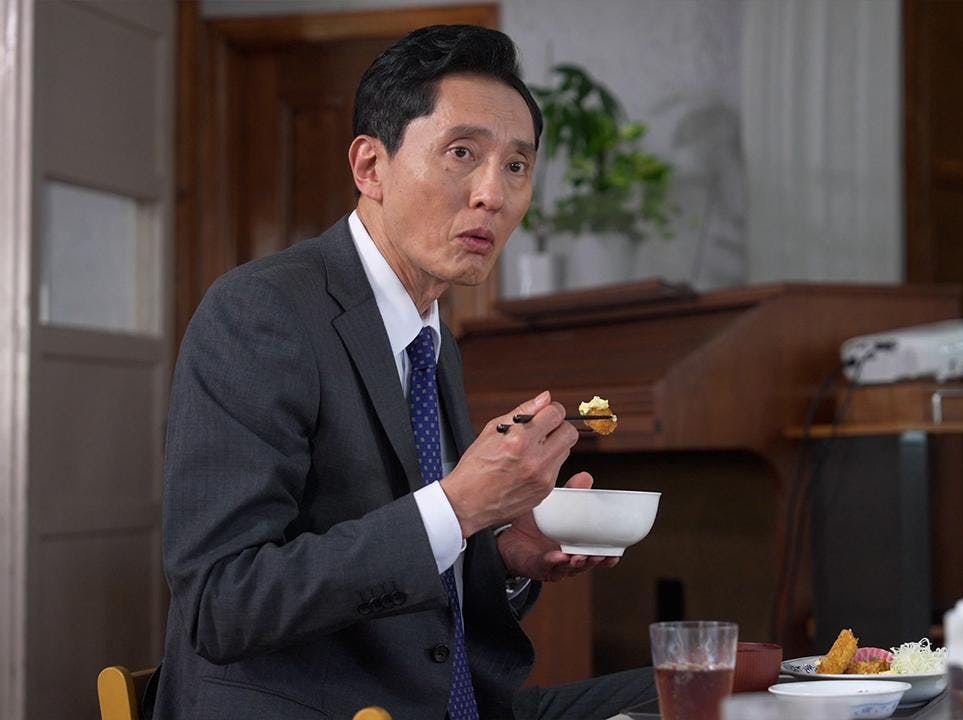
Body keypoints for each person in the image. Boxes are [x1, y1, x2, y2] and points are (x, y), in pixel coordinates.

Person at [151, 25, 655, 720]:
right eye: (461, 153)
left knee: (714, 683)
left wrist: (506, 555)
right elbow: (222, 603)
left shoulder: (431, 335)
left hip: (443, 704)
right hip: (324, 711)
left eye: (516, 166)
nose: (493, 194)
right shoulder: (261, 311)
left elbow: (419, 587)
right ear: (370, 167)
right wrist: (460, 506)